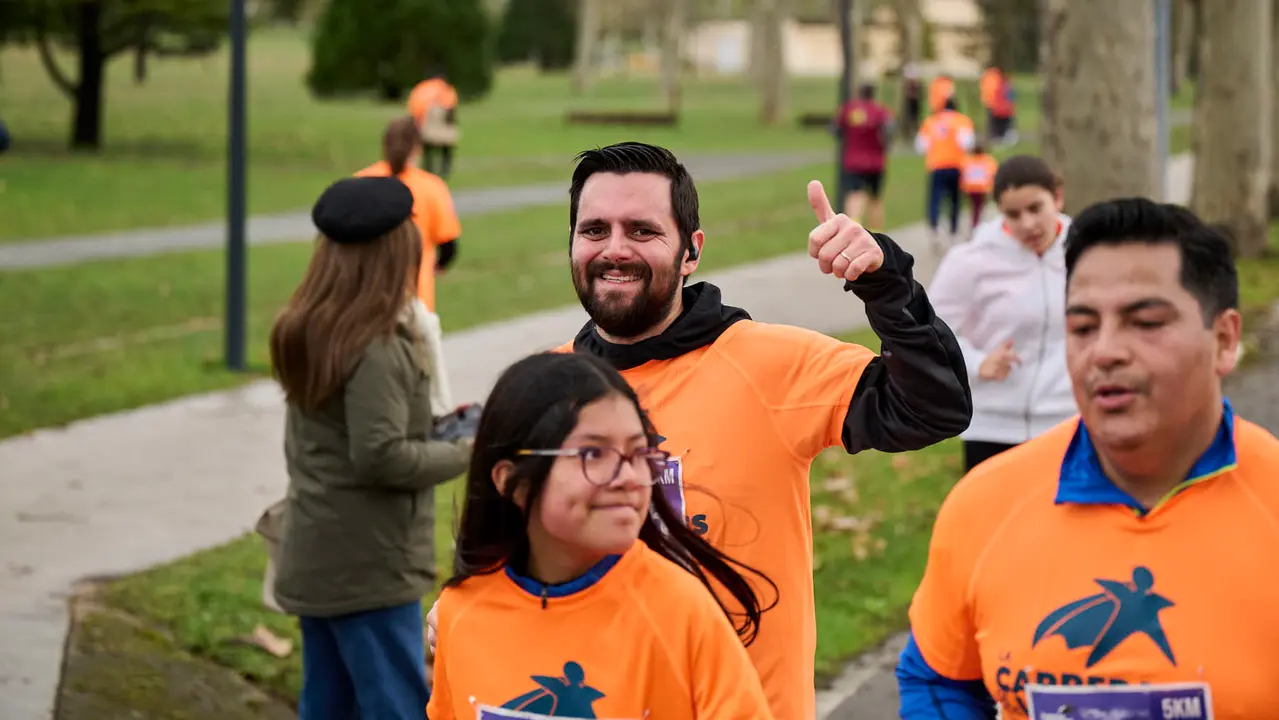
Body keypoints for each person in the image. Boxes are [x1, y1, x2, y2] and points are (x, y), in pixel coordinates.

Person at [433, 141, 973, 720]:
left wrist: (885, 283)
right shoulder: (543, 388)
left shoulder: (769, 365)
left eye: (642, 230)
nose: (614, 249)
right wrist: (469, 606)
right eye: (594, 230)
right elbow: (506, 544)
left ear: (691, 252)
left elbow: (934, 407)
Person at [897, 198, 1279, 719]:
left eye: (1145, 322)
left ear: (1225, 339)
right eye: (1081, 328)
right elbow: (937, 677)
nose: (1104, 352)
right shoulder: (985, 505)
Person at [427, 352, 775, 719]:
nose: (628, 477)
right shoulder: (460, 612)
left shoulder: (680, 612)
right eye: (594, 453)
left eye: (639, 452)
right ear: (512, 480)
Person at [269, 176, 473, 720]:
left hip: (319, 555)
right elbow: (381, 456)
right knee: (396, 706)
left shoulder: (312, 326)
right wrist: (474, 448)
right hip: (368, 567)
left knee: (328, 704)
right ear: (396, 254)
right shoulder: (377, 346)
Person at [927, 155, 1075, 472]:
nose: (1027, 224)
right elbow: (929, 333)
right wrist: (979, 364)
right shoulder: (971, 261)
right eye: (1013, 214)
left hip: (1069, 423)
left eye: (1036, 208)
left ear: (1058, 197)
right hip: (992, 426)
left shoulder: (1087, 252)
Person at [356, 116, 462, 416]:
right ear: (417, 147)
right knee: (419, 388)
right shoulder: (431, 187)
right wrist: (438, 267)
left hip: (365, 300)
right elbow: (450, 245)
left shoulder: (362, 182)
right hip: (415, 300)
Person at [916, 97, 976, 252]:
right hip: (956, 165)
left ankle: (934, 228)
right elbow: (967, 142)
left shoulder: (931, 121)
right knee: (955, 200)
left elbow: (921, 145)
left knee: (935, 199)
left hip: (936, 165)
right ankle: (953, 231)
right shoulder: (962, 121)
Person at [834, 82, 895, 230]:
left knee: (854, 195)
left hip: (854, 160)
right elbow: (890, 131)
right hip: (876, 162)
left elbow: (835, 129)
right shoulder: (881, 111)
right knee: (875, 199)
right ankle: (876, 233)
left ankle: (853, 226)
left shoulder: (849, 110)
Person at [407, 69, 459, 179]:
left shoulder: (421, 88)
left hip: (426, 122)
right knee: (446, 147)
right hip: (442, 122)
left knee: (427, 148)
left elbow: (414, 108)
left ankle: (428, 170)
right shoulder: (445, 88)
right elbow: (451, 107)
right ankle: (445, 170)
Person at [959, 142, 998, 231]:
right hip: (982, 188)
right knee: (979, 207)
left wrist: (963, 188)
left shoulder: (967, 160)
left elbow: (963, 174)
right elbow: (992, 174)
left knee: (974, 207)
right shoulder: (988, 160)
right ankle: (977, 224)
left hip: (971, 188)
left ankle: (975, 224)